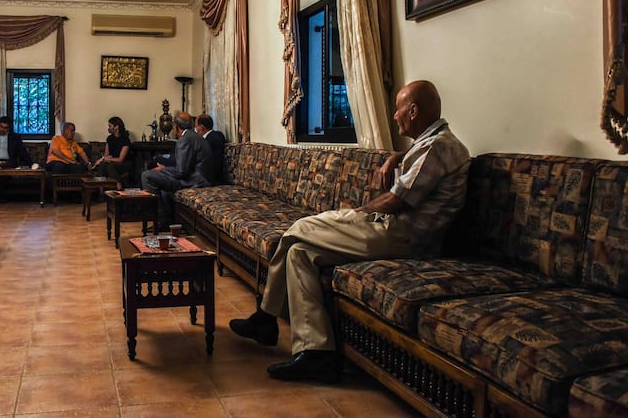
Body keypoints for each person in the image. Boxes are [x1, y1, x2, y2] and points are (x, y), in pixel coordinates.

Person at [229, 80, 471, 383]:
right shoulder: (430, 144)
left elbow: (398, 199)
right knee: (300, 254)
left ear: (413, 110)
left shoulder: (439, 147)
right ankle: (316, 353)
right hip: (397, 230)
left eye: (398, 110)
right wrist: (398, 156)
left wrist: (358, 213)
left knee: (298, 229)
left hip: (404, 236)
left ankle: (266, 318)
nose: (394, 116)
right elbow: (415, 176)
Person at [141, 111, 214, 229]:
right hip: (199, 178)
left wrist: (163, 169)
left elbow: (181, 172)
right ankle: (166, 219)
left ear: (176, 127)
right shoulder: (195, 136)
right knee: (161, 184)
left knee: (147, 175)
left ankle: (158, 221)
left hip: (194, 181)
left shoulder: (184, 139)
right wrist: (165, 169)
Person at [92, 116, 131, 188]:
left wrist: (107, 159)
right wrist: (103, 159)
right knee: (102, 165)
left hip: (124, 163)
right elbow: (106, 155)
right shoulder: (109, 139)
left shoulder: (125, 139)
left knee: (111, 166)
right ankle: (101, 191)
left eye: (110, 126)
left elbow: (120, 159)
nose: (108, 128)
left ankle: (119, 186)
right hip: (112, 161)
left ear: (116, 127)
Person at [195, 114, 227, 184]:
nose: (195, 129)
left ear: (202, 128)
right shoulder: (217, 135)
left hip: (210, 179)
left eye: (196, 126)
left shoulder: (209, 140)